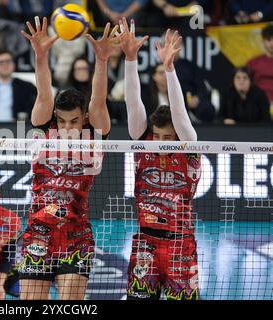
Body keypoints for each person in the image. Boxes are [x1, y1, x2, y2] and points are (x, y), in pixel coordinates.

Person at [18, 17, 113, 300]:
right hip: (38, 232)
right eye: (62, 121)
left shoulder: (95, 132)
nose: (67, 127)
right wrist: (41, 55)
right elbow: (44, 93)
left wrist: (102, 59)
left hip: (77, 235)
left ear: (83, 118)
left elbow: (98, 99)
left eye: (74, 121)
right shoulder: (43, 125)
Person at [119, 18, 201, 300]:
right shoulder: (144, 144)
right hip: (146, 244)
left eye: (169, 138)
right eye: (159, 136)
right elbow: (133, 103)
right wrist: (130, 60)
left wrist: (169, 69)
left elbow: (180, 115)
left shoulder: (188, 148)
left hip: (181, 245)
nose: (163, 143)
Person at [247, 24, 273, 105]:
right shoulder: (253, 63)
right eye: (269, 40)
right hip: (258, 105)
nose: (272, 43)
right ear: (263, 42)